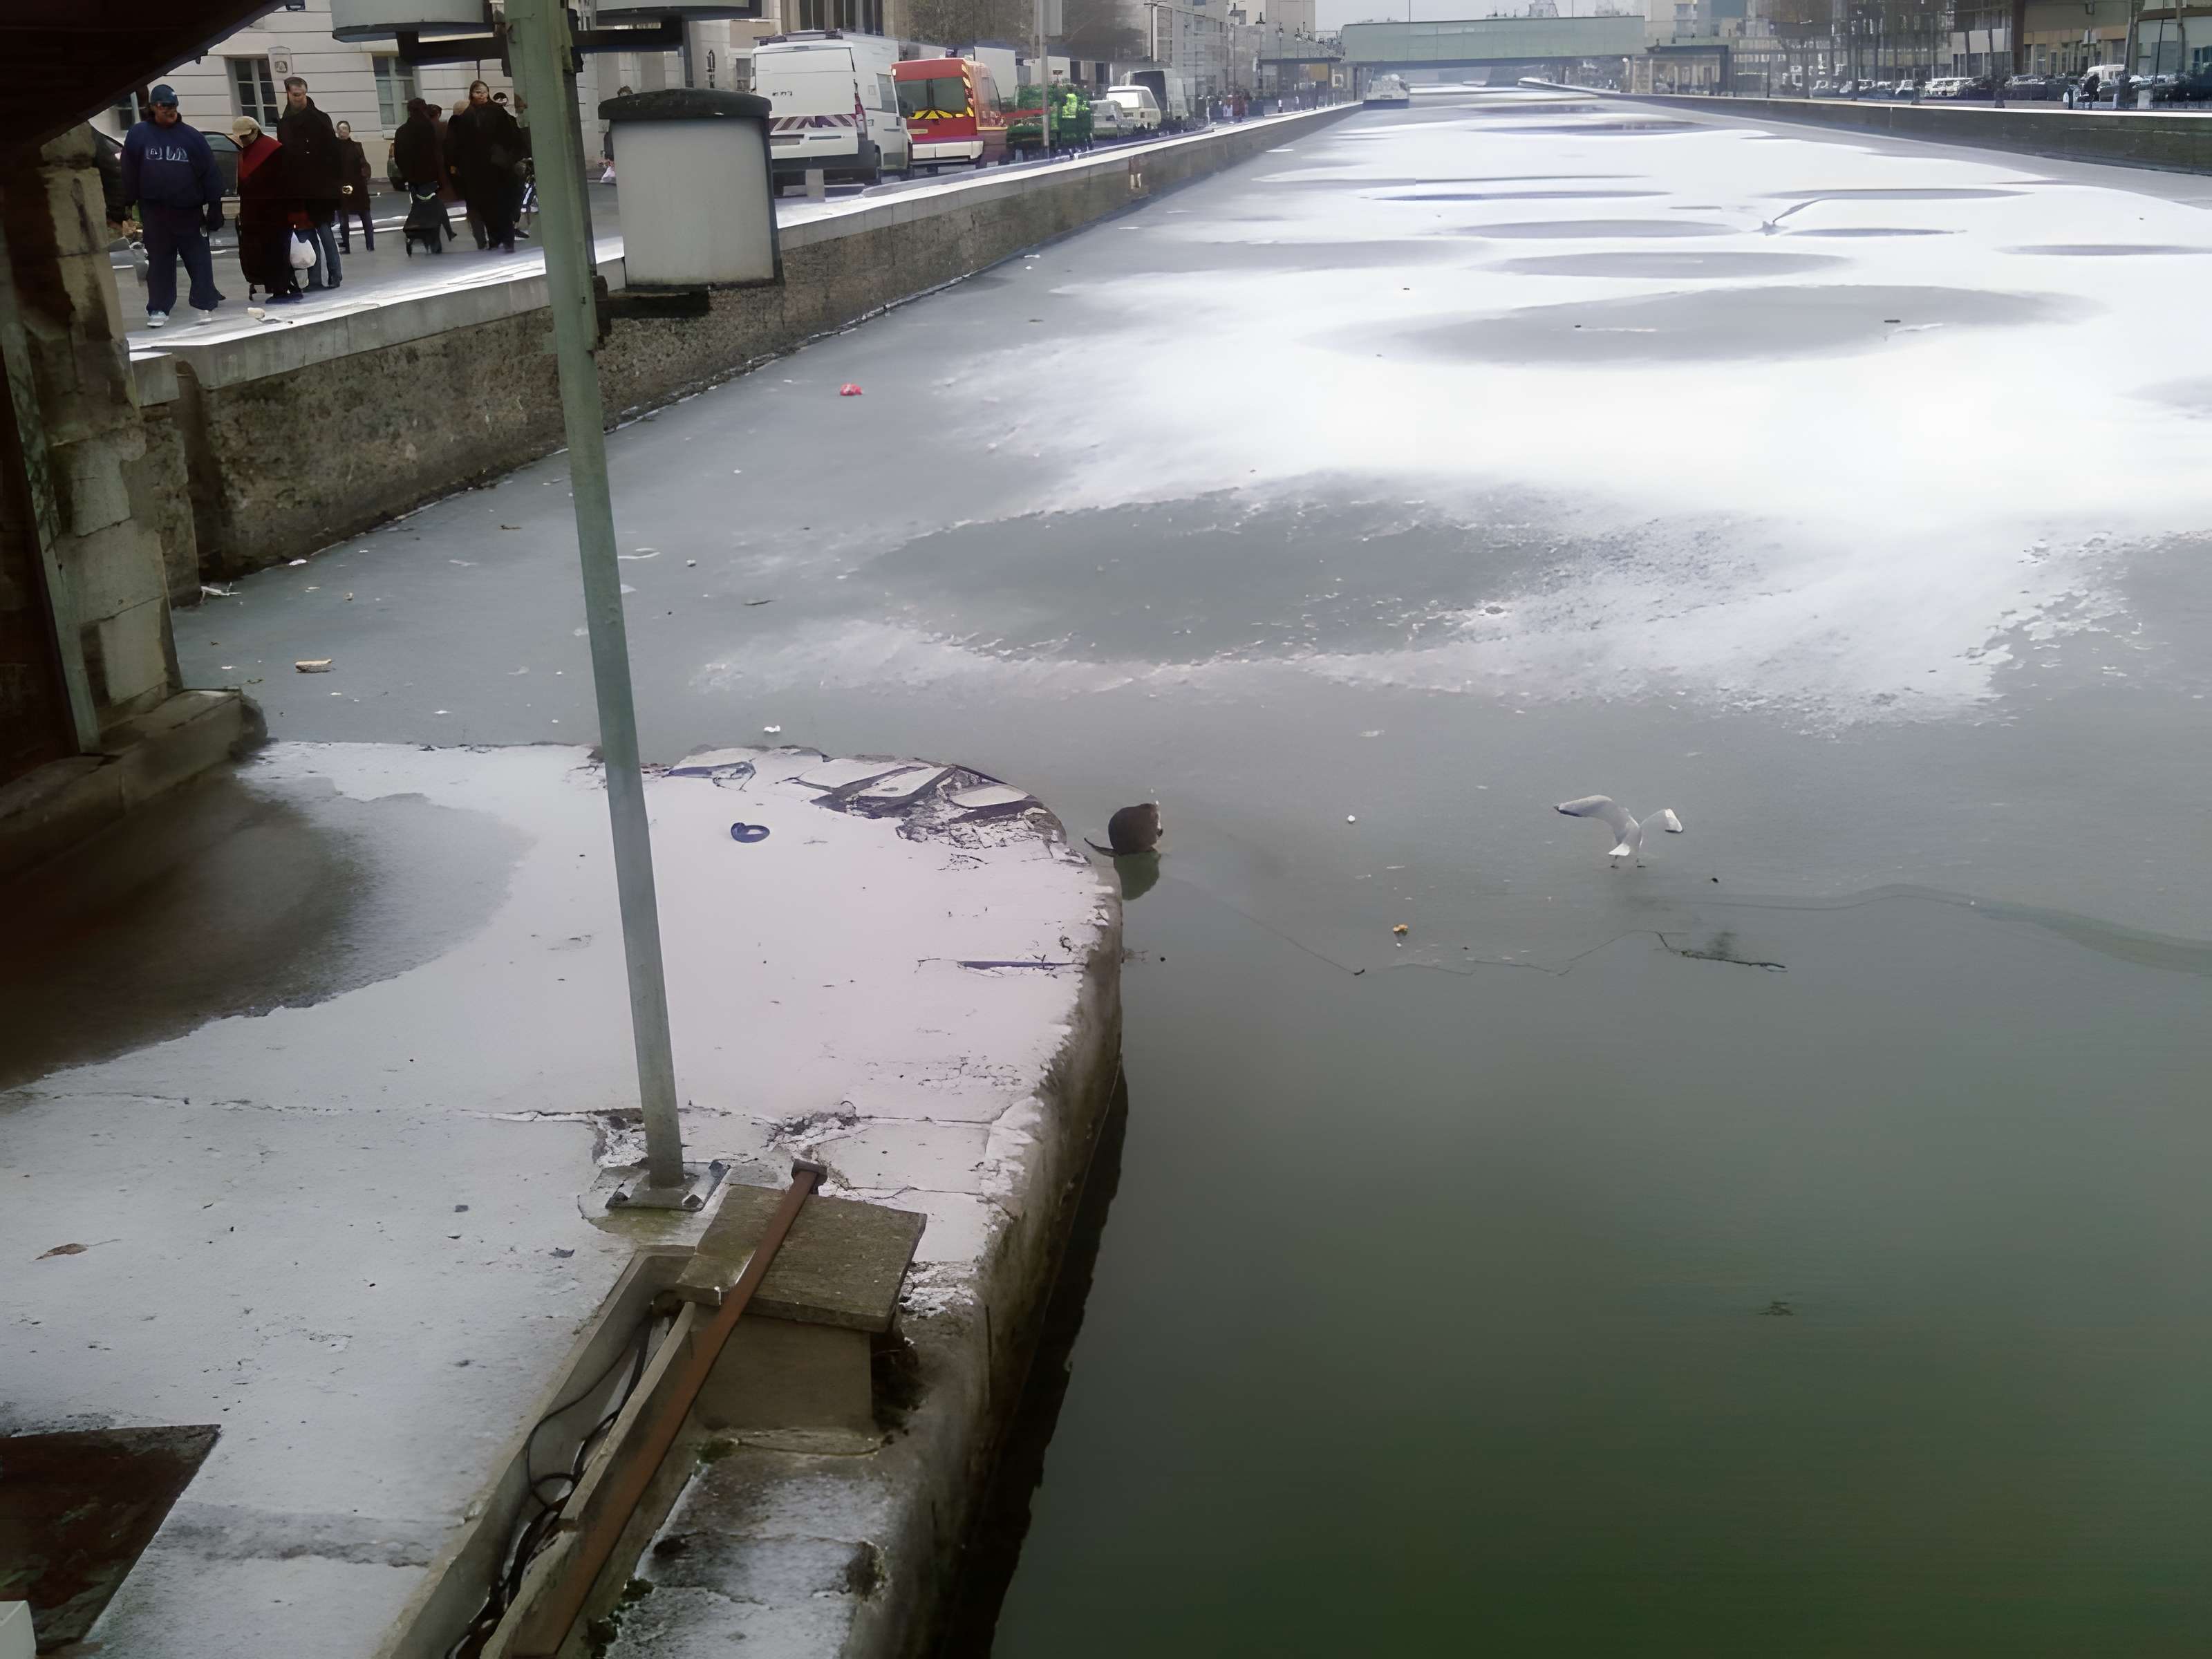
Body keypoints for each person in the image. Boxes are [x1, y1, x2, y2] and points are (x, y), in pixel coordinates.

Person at [120, 84, 226, 328]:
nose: (171, 111)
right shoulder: (139, 134)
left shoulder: (191, 137)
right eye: (165, 106)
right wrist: (125, 204)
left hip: (188, 209)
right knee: (159, 260)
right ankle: (158, 307)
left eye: (174, 106)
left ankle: (204, 303)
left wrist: (215, 204)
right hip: (155, 209)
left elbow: (209, 172)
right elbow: (129, 171)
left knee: (198, 258)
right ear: (154, 107)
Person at [276, 75, 344, 289]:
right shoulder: (285, 122)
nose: (299, 98)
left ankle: (334, 275)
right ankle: (315, 278)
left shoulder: (319, 118)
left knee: (324, 231)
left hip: (320, 187)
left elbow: (333, 153)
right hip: (299, 187)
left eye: (302, 94)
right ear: (288, 94)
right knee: (306, 233)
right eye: (296, 95)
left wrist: (335, 185)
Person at [448, 79, 527, 252]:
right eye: (478, 92)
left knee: (500, 204)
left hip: (497, 168)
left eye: (484, 92)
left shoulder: (497, 112)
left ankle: (506, 239)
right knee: (486, 207)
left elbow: (511, 137)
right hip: (478, 170)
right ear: (472, 94)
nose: (482, 95)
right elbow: (461, 144)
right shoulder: (468, 116)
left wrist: (505, 157)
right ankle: (495, 238)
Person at [231, 116, 303, 303]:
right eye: (241, 137)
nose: (243, 140)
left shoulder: (274, 151)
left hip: (275, 213)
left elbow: (288, 183)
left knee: (276, 252)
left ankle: (282, 290)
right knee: (270, 252)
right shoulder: (246, 152)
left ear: (256, 131)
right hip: (258, 214)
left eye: (246, 136)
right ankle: (284, 287)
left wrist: (292, 211)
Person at [334, 118, 375, 252]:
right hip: (343, 186)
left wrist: (365, 177)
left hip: (358, 185)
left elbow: (364, 163)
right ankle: (346, 244)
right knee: (343, 217)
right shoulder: (334, 147)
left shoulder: (357, 146)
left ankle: (370, 244)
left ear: (349, 131)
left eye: (345, 129)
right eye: (340, 129)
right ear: (337, 131)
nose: (342, 132)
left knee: (365, 214)